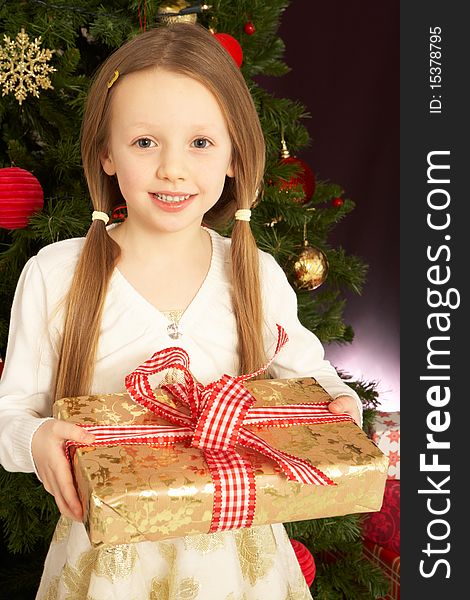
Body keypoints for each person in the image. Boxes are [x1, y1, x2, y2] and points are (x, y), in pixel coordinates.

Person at [0, 22, 362, 600]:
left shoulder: (256, 275)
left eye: (200, 142)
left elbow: (311, 382)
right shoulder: (55, 275)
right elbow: (11, 412)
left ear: (234, 157)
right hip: (109, 565)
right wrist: (36, 436)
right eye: (145, 142)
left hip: (241, 558)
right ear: (106, 153)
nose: (173, 168)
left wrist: (336, 403)